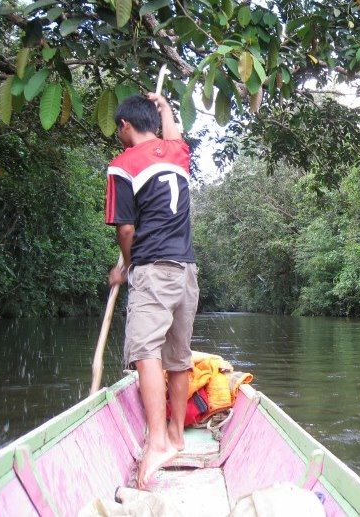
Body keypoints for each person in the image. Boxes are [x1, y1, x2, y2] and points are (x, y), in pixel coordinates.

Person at [105, 93, 199, 489]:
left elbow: (125, 229)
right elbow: (175, 135)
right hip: (186, 270)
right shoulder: (177, 153)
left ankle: (157, 443)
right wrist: (165, 106)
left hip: (153, 269)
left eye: (117, 128)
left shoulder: (122, 165)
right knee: (178, 358)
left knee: (145, 352)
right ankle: (176, 434)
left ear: (125, 125)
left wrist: (125, 265)